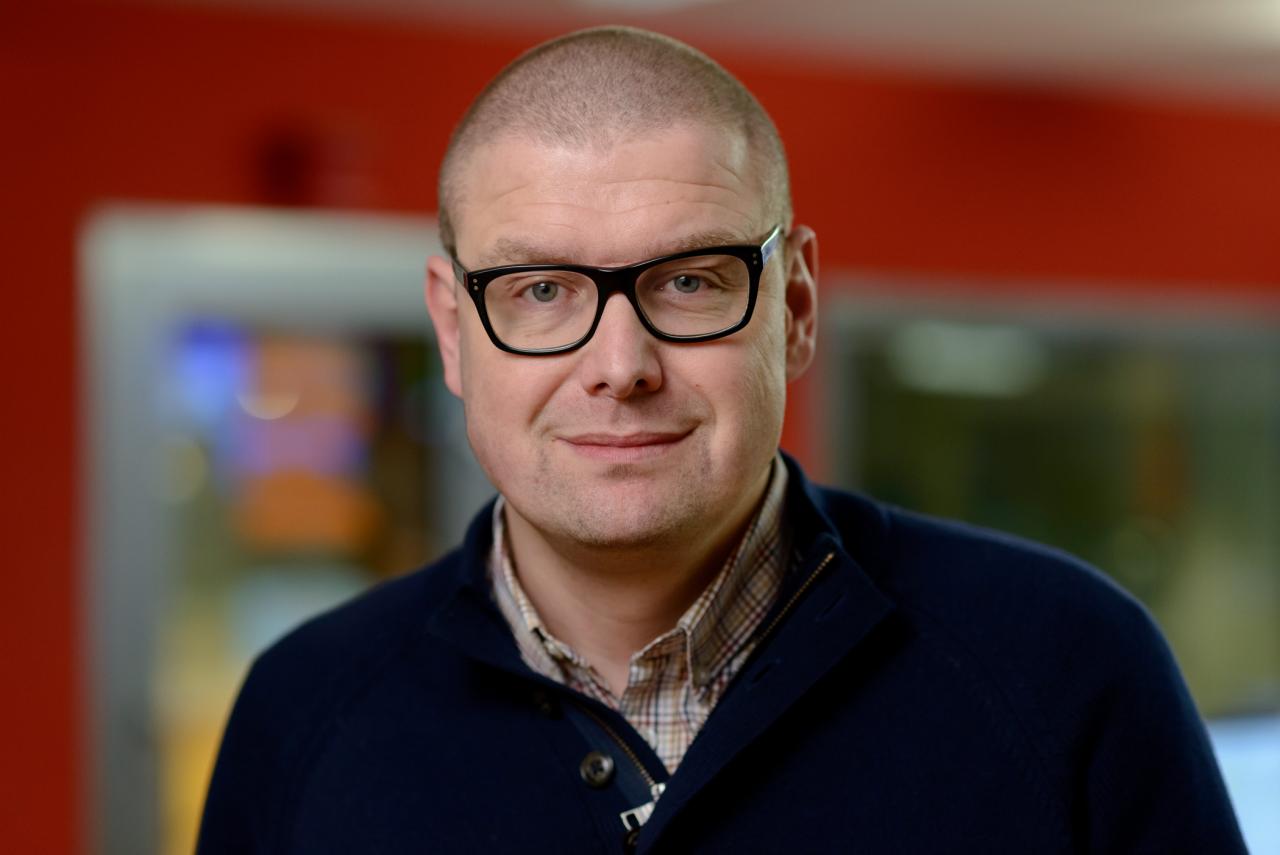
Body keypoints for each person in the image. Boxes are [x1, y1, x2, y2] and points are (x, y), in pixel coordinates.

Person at [197, 26, 1246, 855]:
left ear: (794, 306)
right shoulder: (302, 710)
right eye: (541, 290)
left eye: (690, 281)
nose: (620, 364)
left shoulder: (1066, 671)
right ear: (453, 329)